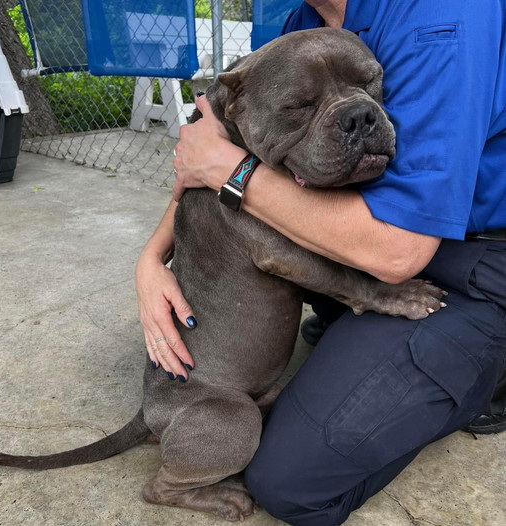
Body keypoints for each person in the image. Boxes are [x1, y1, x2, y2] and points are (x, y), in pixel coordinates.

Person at [136, 0, 506, 523]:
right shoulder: (301, 23)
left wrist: (237, 174)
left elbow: (397, 255)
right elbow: (206, 152)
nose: (350, 111)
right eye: (299, 107)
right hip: (361, 242)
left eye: (368, 86)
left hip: (469, 253)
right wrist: (151, 258)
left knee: (290, 483)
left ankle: (488, 370)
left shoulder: (447, 12)